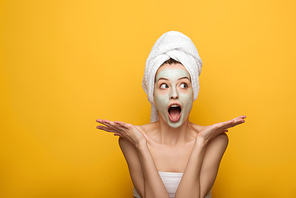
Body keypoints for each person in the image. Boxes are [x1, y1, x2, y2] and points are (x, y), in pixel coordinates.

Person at [96, 31, 246, 198]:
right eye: (164, 85)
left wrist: (200, 142)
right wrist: (141, 145)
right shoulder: (131, 139)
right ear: (152, 94)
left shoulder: (215, 140)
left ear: (193, 91)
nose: (174, 94)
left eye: (183, 85)